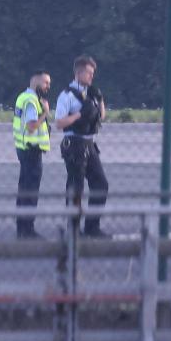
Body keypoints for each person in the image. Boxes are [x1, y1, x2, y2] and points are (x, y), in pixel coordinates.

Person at [54, 55, 109, 238]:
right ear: (78, 73)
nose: (92, 77)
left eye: (93, 73)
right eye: (89, 73)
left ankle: (92, 227)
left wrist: (100, 100)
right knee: (76, 188)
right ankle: (73, 229)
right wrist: (78, 115)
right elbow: (59, 123)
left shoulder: (91, 93)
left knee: (101, 184)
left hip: (89, 143)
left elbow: (101, 117)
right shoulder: (67, 95)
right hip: (74, 144)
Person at [13, 70, 52, 239]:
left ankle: (22, 227)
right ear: (37, 83)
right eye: (46, 83)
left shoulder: (23, 97)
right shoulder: (31, 101)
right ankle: (27, 229)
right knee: (31, 191)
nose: (48, 87)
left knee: (24, 189)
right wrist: (45, 113)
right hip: (31, 151)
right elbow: (31, 126)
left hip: (23, 149)